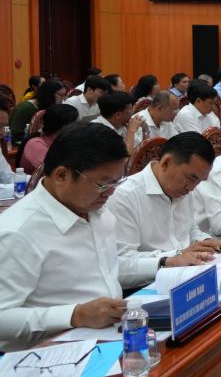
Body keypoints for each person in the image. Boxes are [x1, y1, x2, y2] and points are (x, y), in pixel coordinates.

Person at [0, 124, 131, 351]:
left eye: (116, 182)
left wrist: (164, 261)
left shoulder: (96, 210)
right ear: (61, 175)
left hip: (110, 336)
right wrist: (75, 315)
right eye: (103, 183)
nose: (110, 192)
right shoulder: (18, 232)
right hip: (47, 355)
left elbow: (107, 269)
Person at [106, 132, 221, 287]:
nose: (192, 188)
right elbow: (119, 264)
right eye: (191, 178)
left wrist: (206, 242)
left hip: (187, 276)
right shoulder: (124, 196)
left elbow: (190, 230)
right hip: (147, 287)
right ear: (166, 163)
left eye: (200, 181)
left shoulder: (183, 189)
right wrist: (174, 258)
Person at [18, 104, 77, 173]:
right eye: (75, 123)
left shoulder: (65, 140)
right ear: (63, 126)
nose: (77, 126)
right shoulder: (35, 144)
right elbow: (54, 172)